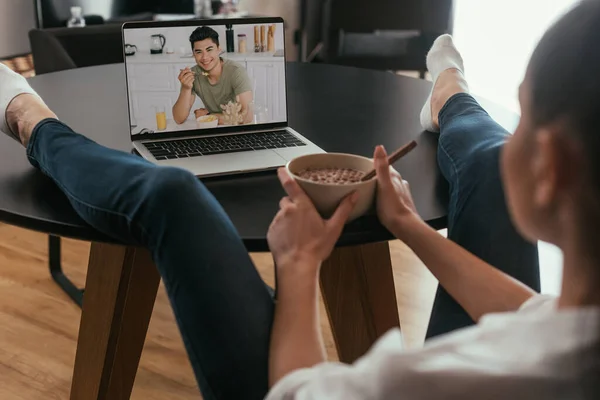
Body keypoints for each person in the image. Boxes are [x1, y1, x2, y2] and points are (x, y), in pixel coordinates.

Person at [1, 1, 599, 399]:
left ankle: (33, 123)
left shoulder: (406, 382)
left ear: (552, 169)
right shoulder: (572, 338)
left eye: (524, 117)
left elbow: (299, 389)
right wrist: (412, 227)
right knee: (490, 165)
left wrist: (300, 265)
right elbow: (530, 313)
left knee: (174, 196)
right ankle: (451, 96)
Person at [172, 26, 254, 126]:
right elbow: (179, 119)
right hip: (212, 129)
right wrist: (185, 88)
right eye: (199, 52)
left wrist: (210, 116)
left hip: (237, 128)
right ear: (194, 54)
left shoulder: (236, 71)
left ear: (218, 49)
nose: (204, 57)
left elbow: (247, 116)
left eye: (209, 49)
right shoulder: (193, 74)